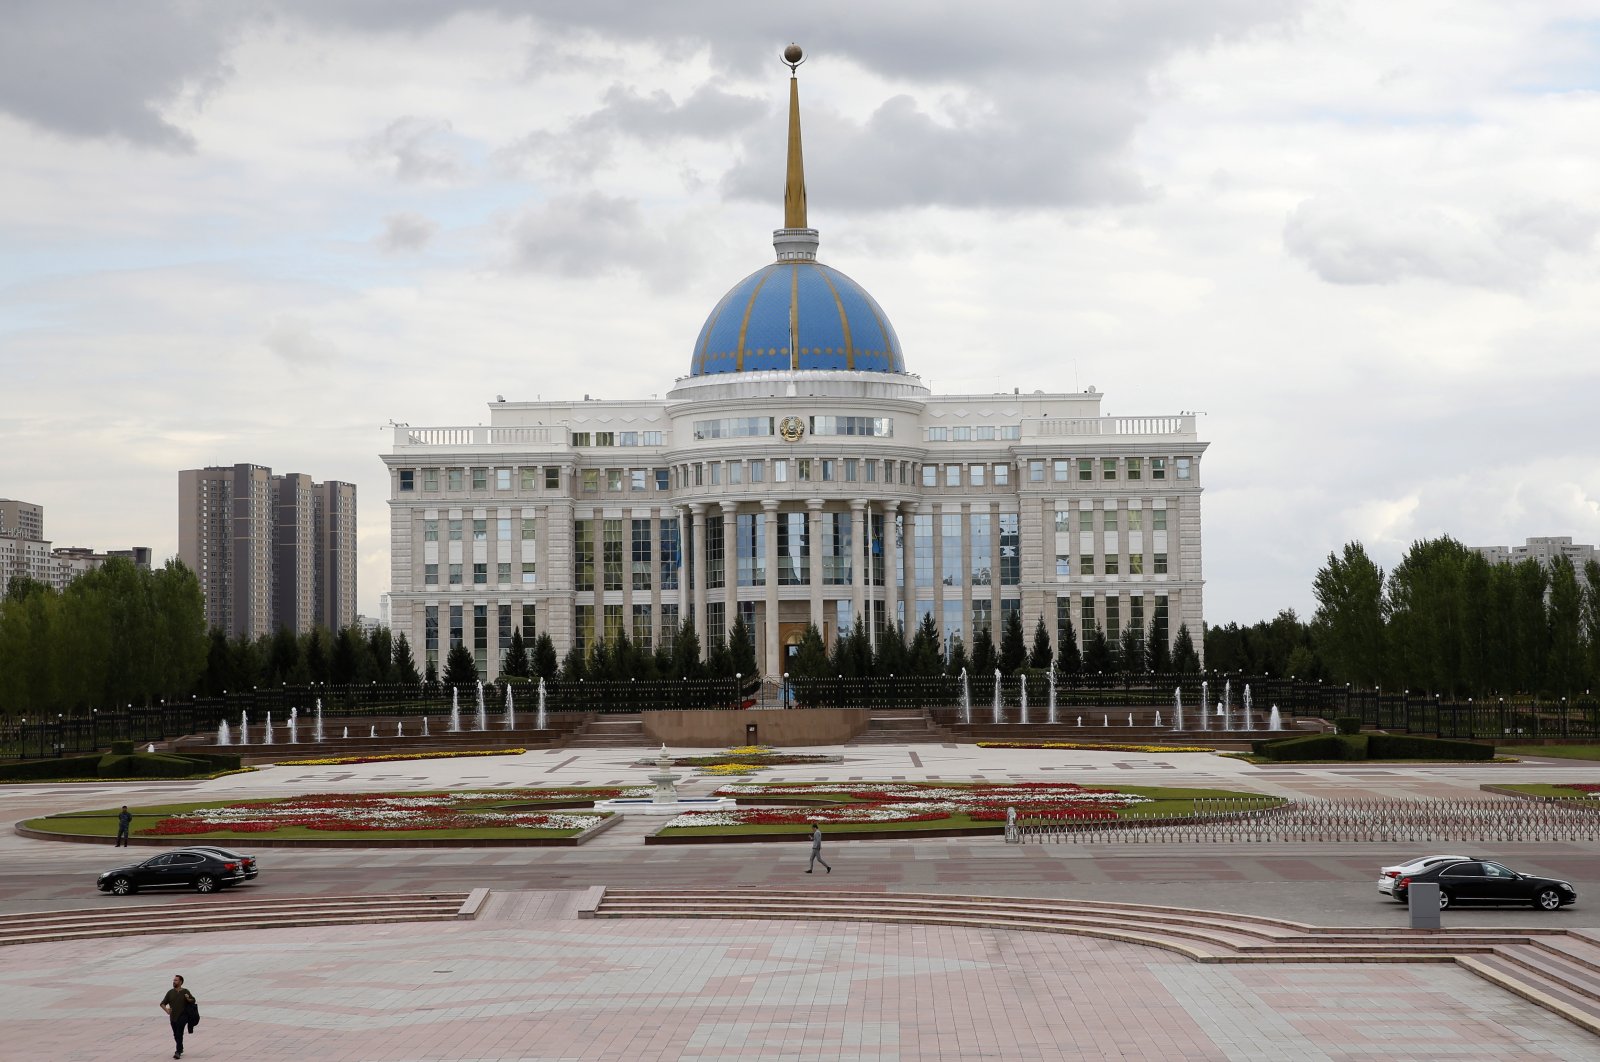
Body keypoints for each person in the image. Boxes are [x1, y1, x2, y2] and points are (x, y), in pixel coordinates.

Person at [159, 974, 195, 1059]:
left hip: (183, 1015)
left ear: (181, 982)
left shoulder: (185, 991)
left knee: (179, 1033)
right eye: (174, 980)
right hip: (173, 1017)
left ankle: (177, 1051)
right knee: (175, 1034)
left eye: (176, 980)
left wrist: (188, 999)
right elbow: (162, 1003)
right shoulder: (170, 992)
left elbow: (193, 1000)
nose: (174, 982)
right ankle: (181, 1047)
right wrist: (167, 1010)